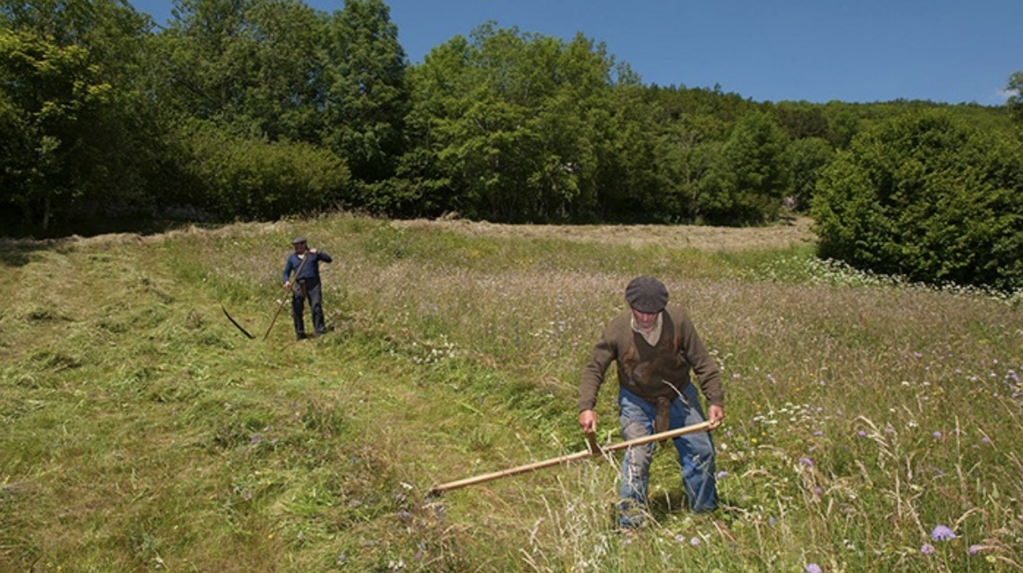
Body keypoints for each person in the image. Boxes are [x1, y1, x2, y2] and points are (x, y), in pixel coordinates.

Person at [578, 276, 725, 529]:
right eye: (640, 312)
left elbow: (702, 362)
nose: (646, 318)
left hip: (679, 394)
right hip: (636, 399)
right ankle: (631, 525)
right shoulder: (617, 330)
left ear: (662, 309)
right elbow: (594, 368)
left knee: (701, 451)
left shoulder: (678, 321)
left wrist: (715, 400)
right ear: (630, 306)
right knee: (637, 458)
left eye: (652, 313)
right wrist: (587, 407)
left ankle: (704, 516)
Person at [282, 237, 332, 340]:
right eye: (294, 246)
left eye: (298, 245)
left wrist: (319, 253)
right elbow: (286, 272)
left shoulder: (312, 255)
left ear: (304, 244)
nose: (295, 247)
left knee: (316, 307)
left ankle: (320, 331)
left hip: (313, 284)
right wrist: (286, 281)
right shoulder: (292, 258)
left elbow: (328, 259)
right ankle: (300, 333)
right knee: (296, 309)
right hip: (299, 285)